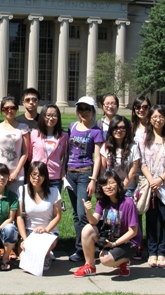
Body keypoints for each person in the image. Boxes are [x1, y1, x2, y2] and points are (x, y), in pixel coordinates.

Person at [72, 171, 141, 278]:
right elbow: (93, 222)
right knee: (87, 229)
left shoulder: (128, 202)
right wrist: (88, 212)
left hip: (128, 241)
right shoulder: (102, 201)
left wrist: (113, 244)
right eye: (104, 184)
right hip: (111, 237)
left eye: (112, 183)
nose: (108, 187)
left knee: (105, 259)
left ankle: (124, 261)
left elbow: (133, 232)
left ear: (118, 184)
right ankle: (89, 266)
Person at [139, 105, 165, 268]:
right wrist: (152, 180)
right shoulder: (144, 138)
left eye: (161, 116)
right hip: (150, 187)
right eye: (154, 117)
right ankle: (152, 251)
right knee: (151, 219)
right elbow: (141, 162)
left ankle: (162, 251)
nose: (158, 120)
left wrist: (161, 179)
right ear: (150, 119)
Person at [67, 96, 103, 262]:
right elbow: (67, 151)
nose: (84, 112)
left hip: (85, 174)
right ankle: (80, 248)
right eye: (81, 109)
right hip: (70, 173)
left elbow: (97, 157)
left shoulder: (96, 131)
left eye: (87, 109)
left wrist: (93, 179)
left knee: (83, 214)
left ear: (93, 111)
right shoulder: (72, 127)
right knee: (75, 214)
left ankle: (87, 247)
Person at [17, 161, 62, 273]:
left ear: (45, 177)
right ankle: (39, 252)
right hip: (29, 232)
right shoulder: (22, 190)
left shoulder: (54, 191)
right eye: (34, 174)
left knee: (43, 267)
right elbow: (19, 217)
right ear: (29, 175)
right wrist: (25, 239)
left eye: (40, 175)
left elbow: (57, 216)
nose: (37, 178)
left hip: (48, 232)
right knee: (24, 261)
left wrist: (46, 230)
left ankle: (47, 253)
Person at [0, 96, 30, 194]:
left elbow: (25, 152)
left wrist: (16, 172)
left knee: (17, 201)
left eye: (13, 108)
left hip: (17, 174)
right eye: (6, 108)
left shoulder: (23, 128)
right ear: (2, 110)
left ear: (17, 109)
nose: (10, 110)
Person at [129, 94, 151, 260]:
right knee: (135, 210)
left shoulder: (154, 126)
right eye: (138, 107)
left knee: (150, 210)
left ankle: (153, 245)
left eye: (145, 107)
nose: (141, 110)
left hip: (150, 174)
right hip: (132, 173)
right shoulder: (130, 127)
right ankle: (137, 244)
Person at [29, 104, 68, 190]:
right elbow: (30, 155)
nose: (51, 118)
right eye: (48, 115)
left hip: (55, 177)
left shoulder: (64, 136)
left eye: (54, 115)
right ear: (43, 116)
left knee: (54, 199)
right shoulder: (34, 134)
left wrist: (63, 171)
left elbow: (65, 157)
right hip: (36, 176)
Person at [100, 115, 139, 196]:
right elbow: (103, 170)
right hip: (110, 188)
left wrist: (121, 188)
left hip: (128, 189)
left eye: (122, 127)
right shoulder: (105, 147)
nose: (119, 130)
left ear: (127, 129)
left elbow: (133, 172)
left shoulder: (133, 148)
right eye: (115, 127)